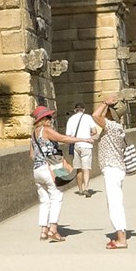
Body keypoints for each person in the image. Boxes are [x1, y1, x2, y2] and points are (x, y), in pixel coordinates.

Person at [29, 104, 82, 243]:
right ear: (44, 119)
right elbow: (63, 139)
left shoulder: (34, 134)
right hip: (49, 168)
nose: (51, 119)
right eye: (50, 117)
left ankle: (43, 231)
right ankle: (53, 229)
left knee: (44, 200)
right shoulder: (46, 130)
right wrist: (82, 139)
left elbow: (31, 155)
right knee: (57, 196)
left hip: (37, 170)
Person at [98, 97, 136, 247]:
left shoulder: (111, 126)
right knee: (115, 201)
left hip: (112, 169)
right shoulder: (116, 127)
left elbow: (94, 116)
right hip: (116, 168)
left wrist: (104, 103)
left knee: (114, 203)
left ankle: (121, 238)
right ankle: (120, 233)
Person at [65, 103, 98, 196]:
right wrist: (88, 135)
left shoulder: (71, 119)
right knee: (86, 168)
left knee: (78, 168)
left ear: (75, 110)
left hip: (76, 145)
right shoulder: (88, 117)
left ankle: (79, 189)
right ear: (83, 109)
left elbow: (68, 135)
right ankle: (86, 188)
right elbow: (95, 131)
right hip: (86, 145)